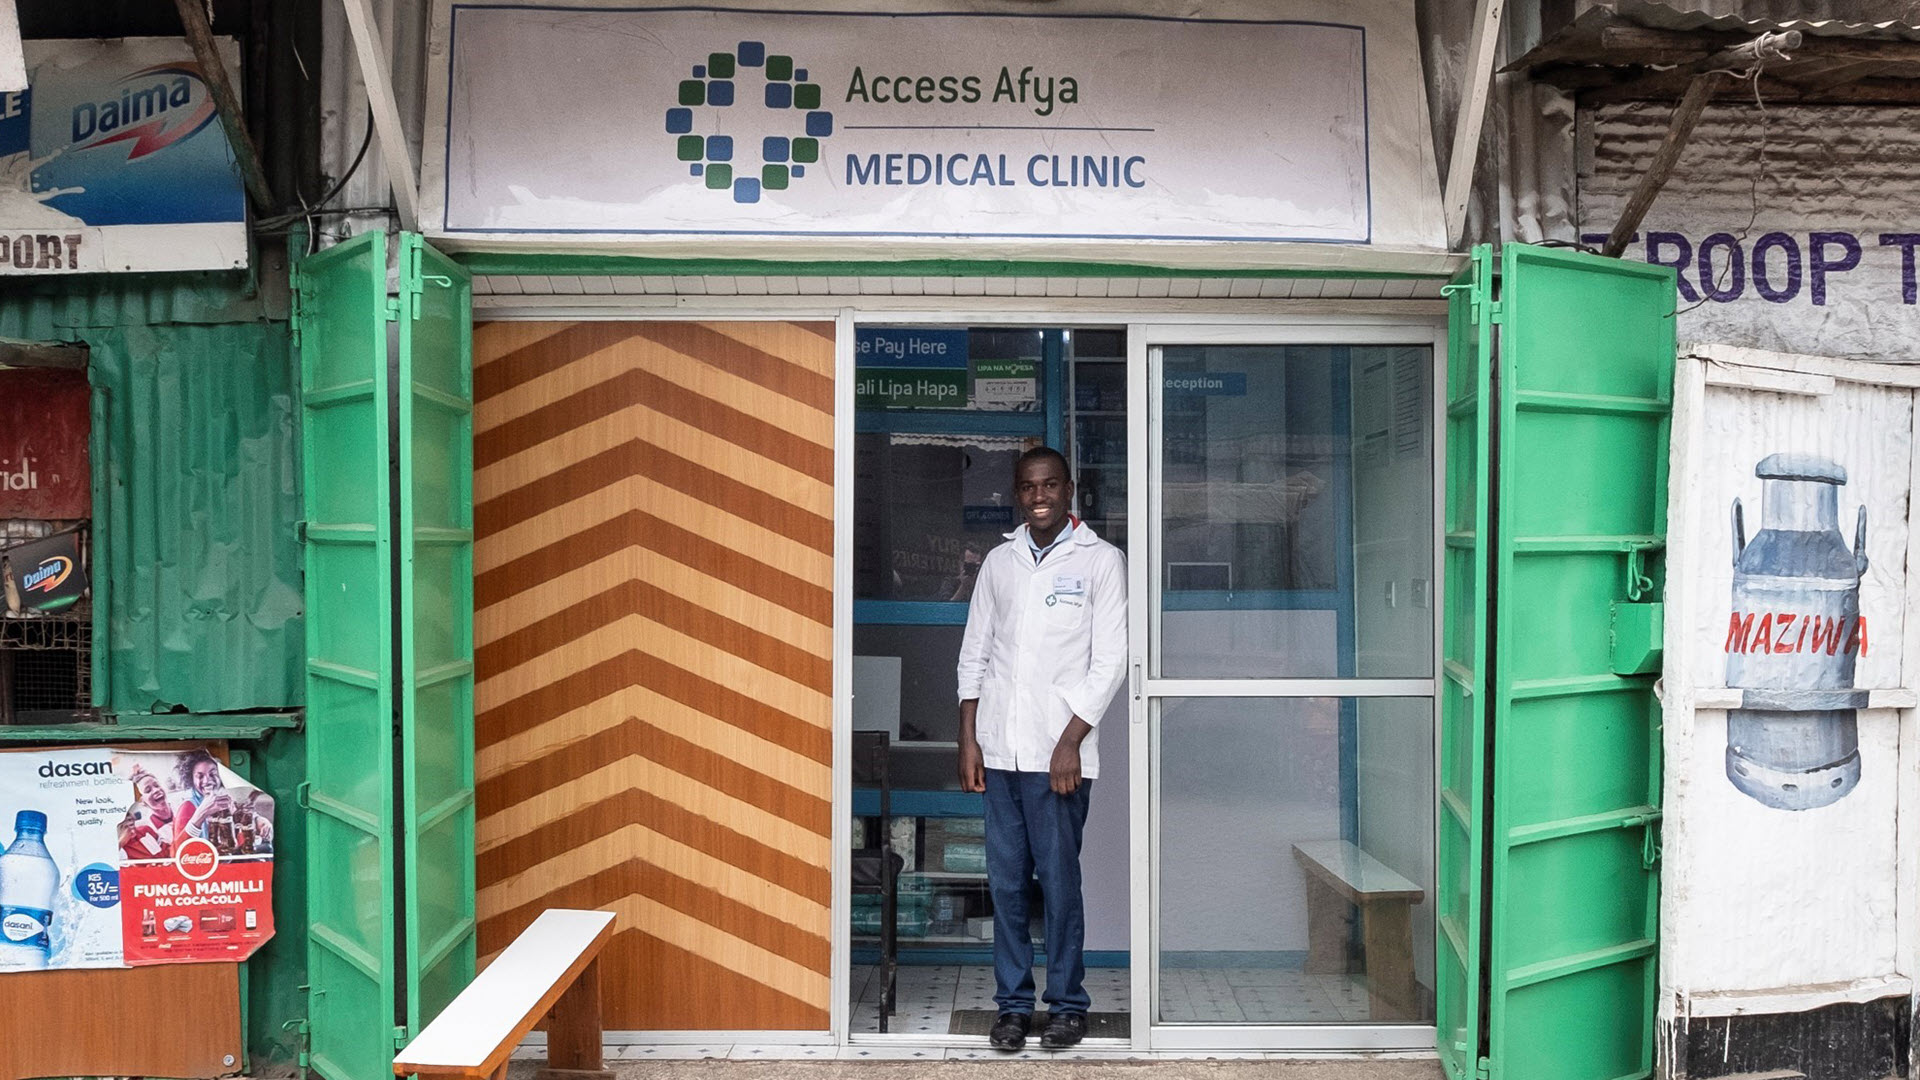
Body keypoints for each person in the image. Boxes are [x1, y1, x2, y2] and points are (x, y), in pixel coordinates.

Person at [955, 446, 1126, 1051]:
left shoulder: (1101, 561)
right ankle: (1012, 1006)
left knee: (1058, 885)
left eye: (1050, 484)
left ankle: (1068, 1006)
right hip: (1000, 753)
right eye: (1029, 487)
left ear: (1069, 488)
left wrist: (1070, 741)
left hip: (1059, 758)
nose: (1039, 496)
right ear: (1017, 494)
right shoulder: (999, 563)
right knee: (1005, 886)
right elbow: (975, 652)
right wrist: (968, 737)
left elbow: (1110, 662)